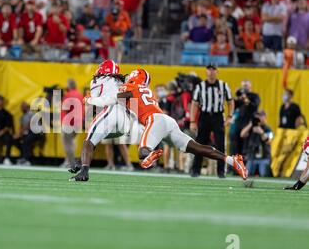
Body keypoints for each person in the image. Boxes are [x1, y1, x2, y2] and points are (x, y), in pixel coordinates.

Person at [87, 68, 248, 180]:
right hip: (167, 121)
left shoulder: (130, 87)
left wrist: (91, 99)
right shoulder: (144, 89)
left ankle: (151, 154)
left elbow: (112, 99)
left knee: (142, 152)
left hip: (154, 120)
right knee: (196, 148)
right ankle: (232, 161)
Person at [68, 60, 135, 182]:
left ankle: (83, 171)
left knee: (88, 141)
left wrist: (87, 100)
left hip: (110, 111)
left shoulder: (98, 80)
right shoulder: (123, 80)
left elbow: (96, 102)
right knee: (94, 139)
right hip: (125, 120)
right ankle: (80, 162)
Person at [190, 64, 235, 178]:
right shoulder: (200, 86)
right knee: (199, 144)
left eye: (213, 70)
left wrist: (230, 116)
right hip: (204, 116)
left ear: (217, 72)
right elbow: (194, 104)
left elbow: (230, 102)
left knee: (220, 144)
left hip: (218, 116)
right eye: (209, 70)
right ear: (206, 72)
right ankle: (195, 170)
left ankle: (221, 172)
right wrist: (192, 121)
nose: (211, 72)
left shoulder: (223, 85)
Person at [231, 79, 261, 156]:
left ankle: (246, 163)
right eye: (243, 86)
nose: (244, 87)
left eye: (246, 85)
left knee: (246, 145)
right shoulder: (241, 97)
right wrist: (236, 97)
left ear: (250, 86)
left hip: (249, 122)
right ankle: (235, 164)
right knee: (235, 145)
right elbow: (233, 106)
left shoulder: (255, 96)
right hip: (239, 122)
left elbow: (254, 106)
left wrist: (245, 98)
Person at [240, 110, 273, 177]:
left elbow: (269, 141)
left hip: (264, 157)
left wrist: (261, 132)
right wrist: (250, 124)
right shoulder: (252, 128)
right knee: (246, 174)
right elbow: (242, 135)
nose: (258, 118)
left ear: (264, 117)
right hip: (252, 156)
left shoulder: (268, 129)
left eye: (260, 116)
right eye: (257, 117)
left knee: (264, 175)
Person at [60, 79, 84, 168]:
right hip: (78, 123)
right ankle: (68, 161)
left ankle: (70, 163)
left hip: (68, 122)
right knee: (72, 143)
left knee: (67, 144)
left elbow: (66, 109)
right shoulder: (79, 94)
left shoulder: (68, 94)